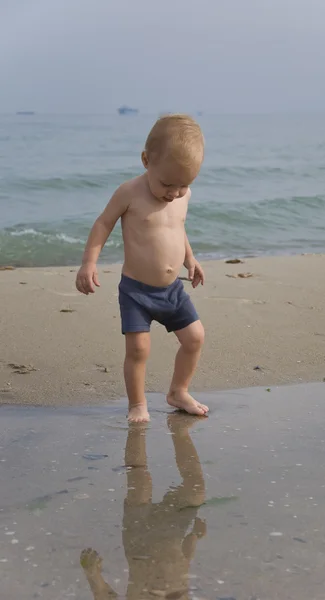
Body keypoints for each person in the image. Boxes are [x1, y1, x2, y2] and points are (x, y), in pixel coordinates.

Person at [76, 115, 209, 422]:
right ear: (146, 160)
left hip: (172, 289)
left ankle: (178, 391)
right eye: (167, 183)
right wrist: (88, 263)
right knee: (138, 349)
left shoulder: (182, 195)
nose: (174, 192)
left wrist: (190, 259)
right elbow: (103, 223)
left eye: (183, 184)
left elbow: (179, 229)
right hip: (137, 291)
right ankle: (137, 404)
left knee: (195, 338)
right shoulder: (130, 192)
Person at [80, 414, 207, 599]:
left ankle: (136, 432)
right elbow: (184, 566)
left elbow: (105, 596)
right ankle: (180, 432)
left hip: (140, 539)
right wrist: (194, 537)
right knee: (196, 490)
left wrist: (94, 576)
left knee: (139, 479)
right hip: (173, 531)